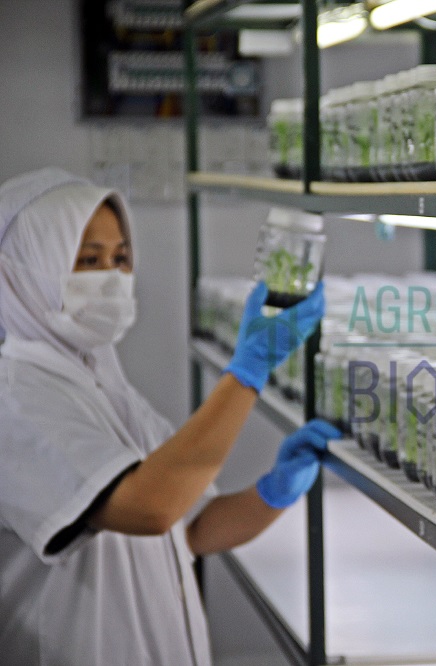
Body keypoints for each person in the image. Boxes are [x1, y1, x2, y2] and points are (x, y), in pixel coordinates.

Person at [0, 168, 339, 665]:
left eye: (121, 258)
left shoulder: (106, 385)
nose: (112, 277)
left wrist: (275, 491)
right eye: (88, 260)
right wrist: (247, 373)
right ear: (25, 271)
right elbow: (150, 508)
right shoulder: (14, 397)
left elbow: (195, 527)